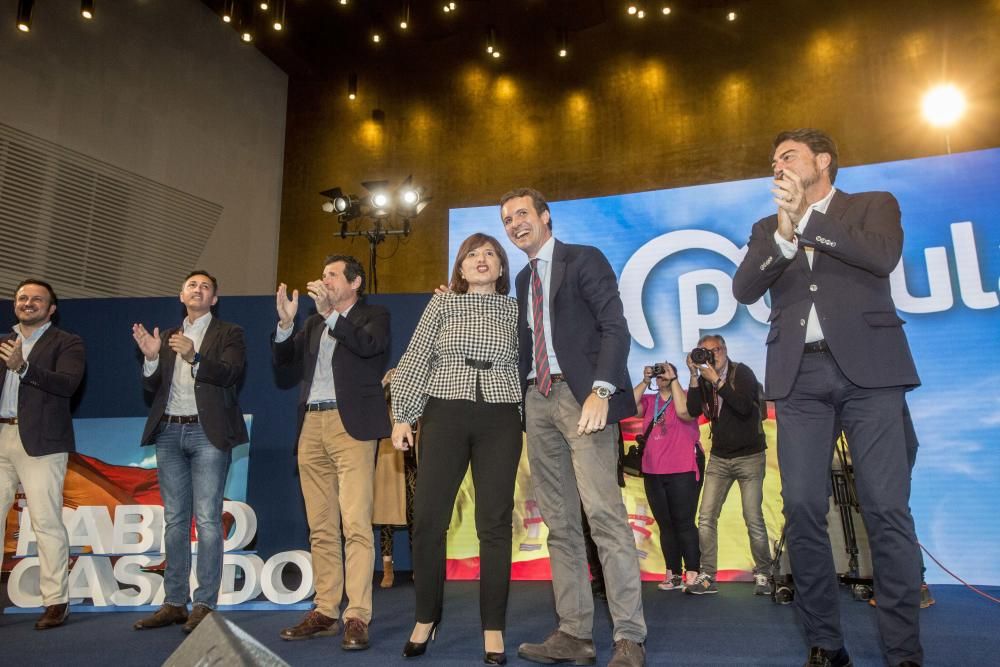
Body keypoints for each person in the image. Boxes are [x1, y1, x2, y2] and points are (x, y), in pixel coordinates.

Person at [733, 128, 923, 667]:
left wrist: (811, 219)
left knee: (887, 508)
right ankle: (825, 642)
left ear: (823, 161)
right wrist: (786, 236)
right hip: (799, 377)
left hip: (871, 374)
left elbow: (881, 257)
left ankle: (904, 651)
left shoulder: (872, 205)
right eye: (772, 161)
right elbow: (744, 288)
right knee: (802, 507)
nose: (777, 166)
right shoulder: (768, 228)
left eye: (787, 157)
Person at [502, 188, 646, 667]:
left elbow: (614, 325)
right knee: (560, 526)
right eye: (507, 219)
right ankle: (574, 633)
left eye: (523, 214)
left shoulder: (584, 259)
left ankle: (628, 637)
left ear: (545, 217)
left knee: (604, 517)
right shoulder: (521, 279)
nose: (515, 223)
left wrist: (601, 390)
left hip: (583, 397)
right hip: (536, 400)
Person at [390, 232, 522, 665]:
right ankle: (426, 617)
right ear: (460, 268)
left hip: (501, 416)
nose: (481, 259)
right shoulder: (442, 304)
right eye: (472, 254)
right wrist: (402, 416)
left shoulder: (518, 310)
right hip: (444, 412)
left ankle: (494, 627)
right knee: (428, 519)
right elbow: (415, 357)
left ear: (502, 268)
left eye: (490, 254)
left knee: (495, 524)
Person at [271, 255, 390, 650]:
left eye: (333, 275)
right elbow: (283, 365)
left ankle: (357, 614)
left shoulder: (374, 315)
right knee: (321, 526)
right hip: (311, 426)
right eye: (322, 275)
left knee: (355, 524)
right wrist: (287, 323)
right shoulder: (311, 323)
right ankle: (325, 609)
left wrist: (333, 317)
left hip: (350, 426)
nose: (324, 281)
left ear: (354, 283)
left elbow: (369, 347)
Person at [131, 270, 249, 633]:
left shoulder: (229, 333)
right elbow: (154, 388)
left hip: (206, 433)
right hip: (169, 431)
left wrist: (196, 357)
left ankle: (204, 603)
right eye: (192, 286)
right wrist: (151, 359)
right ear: (181, 295)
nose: (198, 290)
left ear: (214, 299)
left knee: (209, 520)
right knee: (175, 520)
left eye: (205, 287)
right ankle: (174, 601)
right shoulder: (166, 337)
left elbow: (231, 373)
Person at [0, 279, 84, 630]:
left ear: (51, 309)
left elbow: (67, 384)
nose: (28, 303)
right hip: (1, 434)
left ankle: (55, 602)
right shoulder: (3, 342)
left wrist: (23, 367)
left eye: (37, 299)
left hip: (42, 443)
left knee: (45, 522)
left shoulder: (68, 343)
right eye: (22, 298)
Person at [683, 334, 771, 596]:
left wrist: (717, 382)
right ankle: (708, 575)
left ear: (724, 350)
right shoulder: (705, 379)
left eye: (716, 350)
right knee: (706, 516)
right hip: (720, 457)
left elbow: (744, 407)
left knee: (752, 517)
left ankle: (765, 573)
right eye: (705, 352)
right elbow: (692, 410)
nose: (712, 355)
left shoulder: (741, 371)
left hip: (750, 456)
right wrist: (694, 376)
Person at [632, 362, 701, 592]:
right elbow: (630, 407)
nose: (661, 375)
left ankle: (693, 571)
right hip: (653, 471)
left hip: (682, 469)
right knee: (666, 525)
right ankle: (672, 572)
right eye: (658, 372)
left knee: (684, 522)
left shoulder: (686, 396)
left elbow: (686, 412)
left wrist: (673, 382)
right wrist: (645, 381)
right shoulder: (650, 401)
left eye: (665, 372)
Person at [374, 367, 417, 588]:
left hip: (410, 461)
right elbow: (372, 411)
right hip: (389, 458)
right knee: (387, 516)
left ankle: (418, 567)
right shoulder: (385, 400)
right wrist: (384, 384)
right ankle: (387, 568)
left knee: (414, 515)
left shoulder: (414, 398)